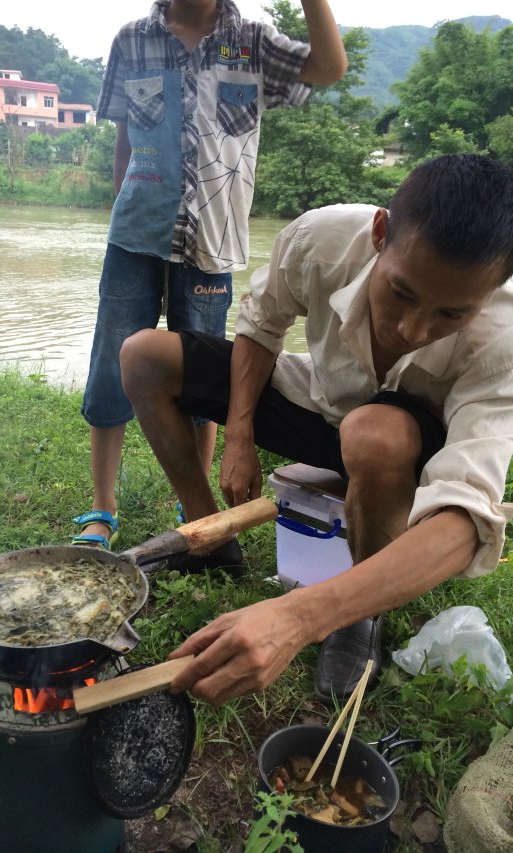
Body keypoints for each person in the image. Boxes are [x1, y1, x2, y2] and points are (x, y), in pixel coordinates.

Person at [119, 153, 513, 703]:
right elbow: (261, 325)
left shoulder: (504, 338)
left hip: (404, 445)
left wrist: (299, 617)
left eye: (451, 315)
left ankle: (361, 617)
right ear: (381, 233)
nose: (412, 328)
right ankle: (211, 536)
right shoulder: (321, 238)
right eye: (401, 292)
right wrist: (238, 437)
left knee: (373, 435)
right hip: (321, 401)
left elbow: (467, 519)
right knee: (144, 356)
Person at [73, 0, 347, 550]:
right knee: (111, 364)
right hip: (134, 236)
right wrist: (119, 210)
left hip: (214, 242)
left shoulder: (253, 40)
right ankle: (101, 510)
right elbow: (125, 138)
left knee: (197, 373)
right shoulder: (133, 40)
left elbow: (328, 67)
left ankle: (189, 501)